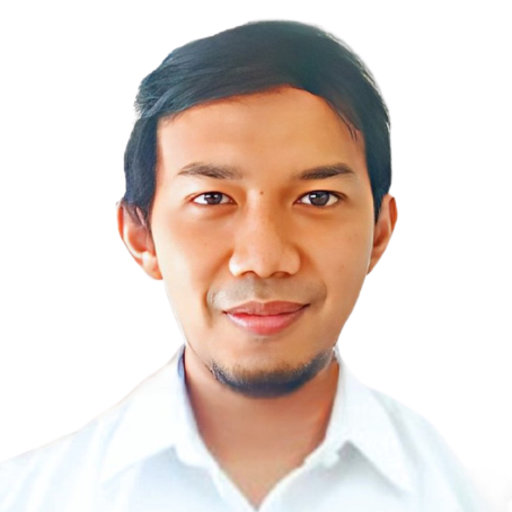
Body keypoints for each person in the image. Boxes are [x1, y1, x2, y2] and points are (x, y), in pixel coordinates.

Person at [0, 20, 489, 512]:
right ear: (141, 235)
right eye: (212, 198)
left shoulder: (471, 494)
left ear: (379, 231)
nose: (264, 260)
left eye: (318, 198)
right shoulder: (30, 497)